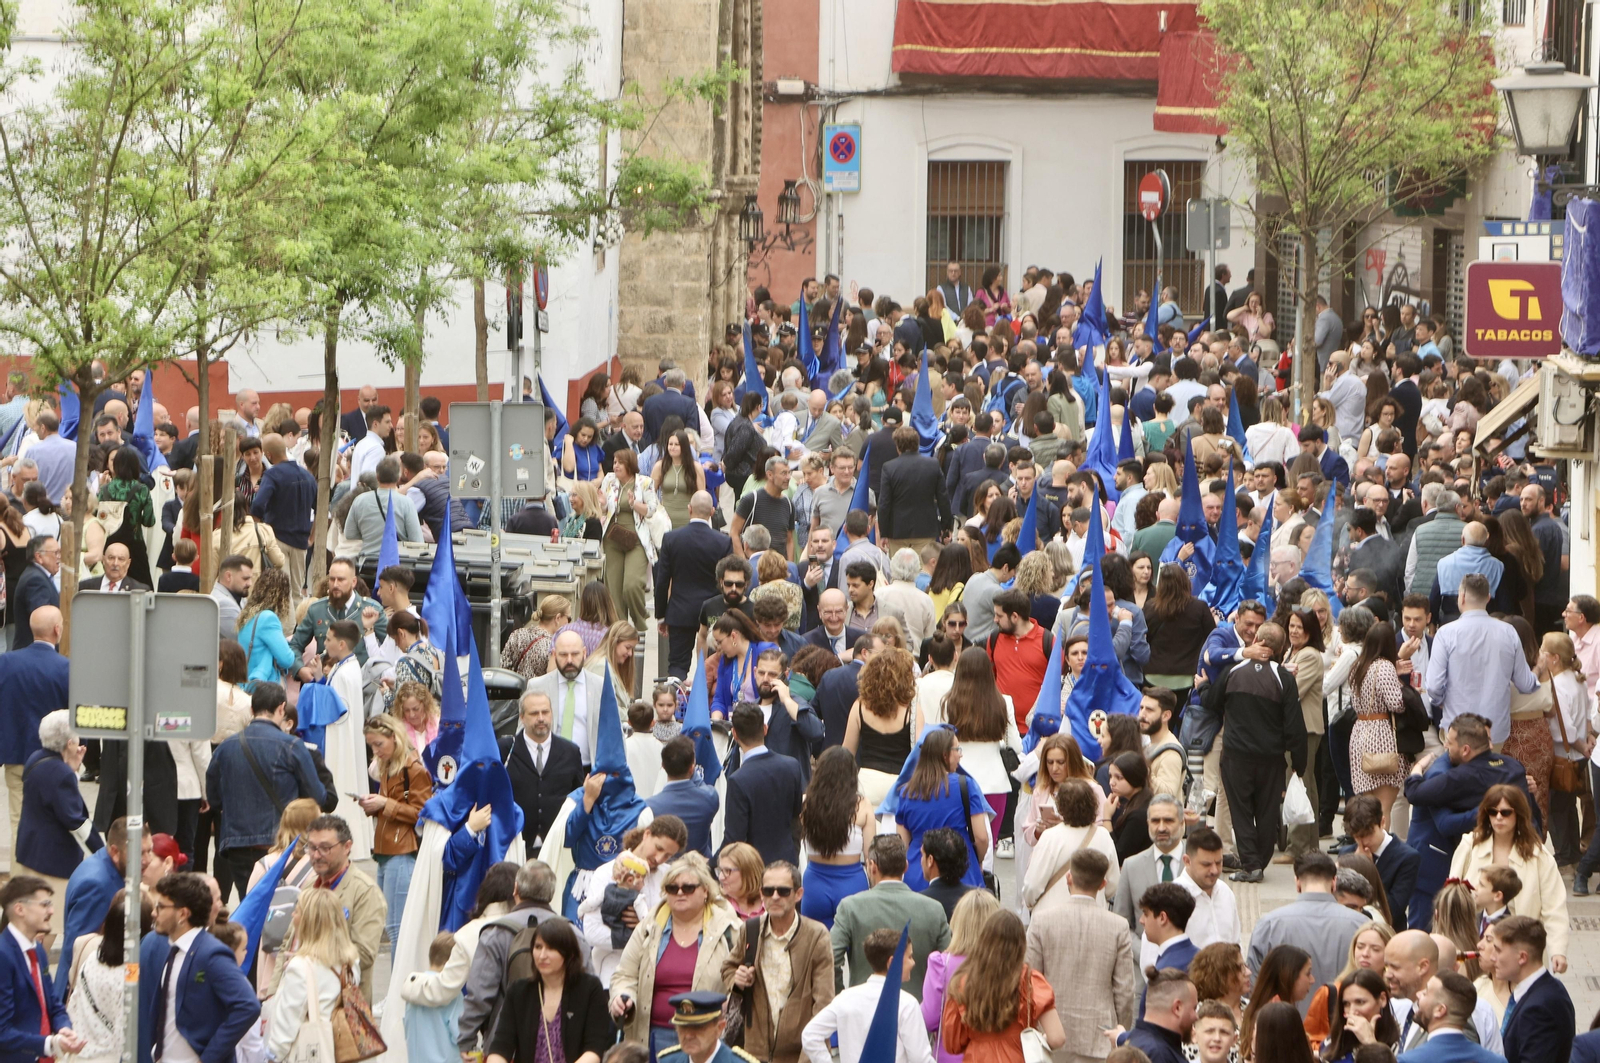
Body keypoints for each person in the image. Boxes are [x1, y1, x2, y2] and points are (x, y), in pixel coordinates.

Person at [204, 682, 327, 904]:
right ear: (282, 708)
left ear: (252, 710)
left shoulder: (226, 747)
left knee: (250, 905)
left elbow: (213, 797)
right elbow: (317, 797)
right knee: (283, 909)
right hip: (281, 842)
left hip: (238, 843)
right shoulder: (292, 746)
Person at [608, 853, 742, 1056]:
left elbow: (742, 981)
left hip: (706, 1038)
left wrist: (727, 1005)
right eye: (672, 888)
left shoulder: (730, 928)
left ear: (705, 890)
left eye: (688, 888)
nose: (680, 893)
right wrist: (623, 996)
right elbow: (625, 974)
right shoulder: (650, 925)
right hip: (651, 1036)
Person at [1203, 622, 1305, 882]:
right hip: (1271, 758)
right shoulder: (1284, 679)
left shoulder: (1233, 671)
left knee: (1241, 810)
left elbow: (1213, 702)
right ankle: (1259, 859)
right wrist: (1299, 764)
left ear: (1257, 639)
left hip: (1236, 755)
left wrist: (1204, 686)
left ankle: (1251, 864)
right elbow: (1294, 725)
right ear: (1282, 648)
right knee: (1267, 810)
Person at [1027, 846, 1136, 1061]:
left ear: (1069, 877)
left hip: (1050, 1034)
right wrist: (1121, 1029)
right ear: (1103, 884)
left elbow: (1030, 979)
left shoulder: (1042, 921)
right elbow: (1125, 989)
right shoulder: (1118, 926)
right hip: (1100, 1036)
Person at [722, 861, 835, 1063]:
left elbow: (823, 1003)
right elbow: (728, 967)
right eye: (768, 890)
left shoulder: (816, 935)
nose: (774, 897)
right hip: (753, 1052)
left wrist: (808, 1057)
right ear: (761, 893)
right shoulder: (751, 929)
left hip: (798, 1053)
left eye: (783, 891)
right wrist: (737, 979)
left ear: (798, 894)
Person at [143, 871, 260, 1063]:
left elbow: (248, 1006)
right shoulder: (174, 950)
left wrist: (209, 1057)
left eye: (161, 907)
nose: (154, 913)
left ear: (183, 914)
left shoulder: (211, 953)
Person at [1447, 785, 1567, 972]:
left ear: (1518, 814)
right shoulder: (1470, 845)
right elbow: (1451, 899)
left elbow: (1554, 908)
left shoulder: (1539, 855)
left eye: (1505, 812)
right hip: (1472, 949)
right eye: (1493, 812)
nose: (1499, 817)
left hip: (1520, 953)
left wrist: (1558, 951)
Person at [268, 815, 384, 1005]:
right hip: (296, 999)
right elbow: (288, 943)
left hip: (340, 1006)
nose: (316, 855)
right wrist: (272, 994)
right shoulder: (310, 887)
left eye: (325, 848)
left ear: (347, 847)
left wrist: (308, 965)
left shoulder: (364, 892)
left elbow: (363, 954)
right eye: (311, 847)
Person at [1424, 574, 1539, 748]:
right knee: (1491, 773)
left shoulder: (1445, 634)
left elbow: (1433, 686)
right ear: (1488, 597)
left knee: (1458, 775)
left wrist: (1439, 700)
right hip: (1494, 731)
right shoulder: (1508, 632)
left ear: (1461, 597)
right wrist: (1539, 670)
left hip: (1457, 730)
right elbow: (1525, 684)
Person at [830, 834, 951, 1001]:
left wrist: (842, 997)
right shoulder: (934, 909)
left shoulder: (850, 907)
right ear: (906, 867)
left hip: (863, 1011)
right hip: (917, 1011)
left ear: (872, 866)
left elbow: (831, 960)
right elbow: (950, 965)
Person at [938, 908, 1066, 1062]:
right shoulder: (1030, 981)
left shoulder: (963, 982)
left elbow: (953, 1043)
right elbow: (1057, 1038)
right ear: (1021, 945)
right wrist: (1036, 1041)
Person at [1246, 853, 1370, 1009]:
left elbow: (1253, 986)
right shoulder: (1362, 924)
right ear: (1334, 883)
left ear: (1297, 882)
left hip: (1284, 1025)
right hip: (1345, 1025)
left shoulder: (1269, 925)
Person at [14, 710, 96, 945]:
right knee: (45, 926)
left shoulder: (36, 758)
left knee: (27, 923)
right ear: (70, 743)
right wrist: (102, 852)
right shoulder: (60, 773)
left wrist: (73, 770)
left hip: (31, 852)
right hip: (53, 861)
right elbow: (76, 819)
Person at [482, 917, 612, 1063]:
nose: (542, 956)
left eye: (550, 948)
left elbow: (594, 1049)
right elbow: (500, 1047)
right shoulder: (518, 991)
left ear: (568, 953)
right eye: (538, 947)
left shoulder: (590, 989)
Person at [803, 928, 933, 1063]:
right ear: (892, 962)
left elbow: (810, 1035)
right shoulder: (906, 1004)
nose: (913, 963)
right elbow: (920, 1058)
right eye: (910, 957)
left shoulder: (846, 998)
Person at [359, 714, 430, 960]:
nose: (376, 751)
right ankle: (396, 993)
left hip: (403, 852)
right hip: (387, 851)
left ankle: (397, 994)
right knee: (393, 927)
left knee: (397, 928)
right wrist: (375, 805)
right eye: (372, 746)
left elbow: (423, 813)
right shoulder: (389, 766)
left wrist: (384, 803)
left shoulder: (413, 768)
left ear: (394, 737)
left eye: (379, 744)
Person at [261, 887, 357, 1063]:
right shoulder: (350, 962)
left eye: (297, 911)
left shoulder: (300, 968)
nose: (293, 916)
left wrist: (271, 1056)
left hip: (308, 1052)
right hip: (339, 1049)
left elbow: (286, 1026)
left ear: (308, 921)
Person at [0, 604, 68, 849]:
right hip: (54, 760)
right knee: (52, 822)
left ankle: (21, 881)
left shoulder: (5, 662)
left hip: (16, 756)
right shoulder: (66, 669)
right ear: (57, 629)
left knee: (18, 820)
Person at [892, 727, 990, 894]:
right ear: (945, 755)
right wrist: (977, 860)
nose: (960, 754)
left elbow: (902, 842)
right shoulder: (965, 785)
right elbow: (981, 837)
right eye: (957, 749)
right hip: (960, 869)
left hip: (918, 872)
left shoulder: (906, 792)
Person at [0, 875, 82, 1060]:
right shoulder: (3, 955)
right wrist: (48, 1044)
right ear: (20, 909)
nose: (52, 911)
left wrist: (64, 1027)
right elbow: (1, 1030)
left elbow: (52, 1002)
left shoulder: (37, 950)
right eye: (44, 904)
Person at [64, 889, 150, 1063]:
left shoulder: (91, 960)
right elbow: (124, 1033)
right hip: (109, 1057)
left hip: (78, 1055)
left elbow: (73, 1006)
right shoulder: (131, 977)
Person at [655, 492, 733, 678]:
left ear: (689, 509)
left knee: (677, 666)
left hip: (680, 611)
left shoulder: (671, 539)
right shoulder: (723, 541)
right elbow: (728, 581)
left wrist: (661, 615)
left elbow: (662, 581)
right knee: (713, 667)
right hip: (714, 613)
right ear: (712, 512)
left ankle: (674, 704)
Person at [503, 689, 588, 856]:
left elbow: (578, 797)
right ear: (522, 717)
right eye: (534, 713)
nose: (541, 718)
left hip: (558, 848)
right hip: (515, 847)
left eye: (545, 712)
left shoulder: (570, 752)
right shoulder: (505, 750)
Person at [798, 746, 873, 930]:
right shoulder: (862, 805)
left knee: (815, 948)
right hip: (852, 884)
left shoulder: (806, 803)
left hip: (814, 884)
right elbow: (871, 856)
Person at [722, 704, 806, 865]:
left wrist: (711, 866)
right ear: (765, 729)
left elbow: (734, 840)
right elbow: (796, 821)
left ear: (735, 734)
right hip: (787, 865)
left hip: (754, 871)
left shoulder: (738, 780)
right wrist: (793, 858)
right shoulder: (792, 766)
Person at [1023, 777, 1122, 911]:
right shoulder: (1103, 836)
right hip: (1094, 913)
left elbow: (1033, 885)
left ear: (1060, 806)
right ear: (1093, 804)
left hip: (1052, 914)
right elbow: (1113, 884)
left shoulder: (1050, 836)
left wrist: (1030, 903)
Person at [1485, 915, 1574, 1063]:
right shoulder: (1544, 989)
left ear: (1522, 957)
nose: (1493, 957)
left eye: (1498, 950)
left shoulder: (1539, 1009)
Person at [524, 630, 606, 769]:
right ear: (554, 654)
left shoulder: (601, 686)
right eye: (563, 654)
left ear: (585, 653)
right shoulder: (537, 686)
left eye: (575, 654)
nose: (569, 660)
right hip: (548, 771)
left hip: (588, 771)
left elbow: (613, 733)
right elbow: (524, 732)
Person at [1395, 970, 1506, 1063]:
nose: (1418, 994)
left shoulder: (1408, 1061)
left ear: (1440, 1010)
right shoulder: (1496, 1061)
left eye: (1426, 992)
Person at [1342, 795, 1419, 927]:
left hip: (1388, 933)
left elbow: (1394, 909)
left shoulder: (1407, 857)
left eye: (1369, 834)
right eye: (1358, 837)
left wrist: (1367, 870)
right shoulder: (1346, 854)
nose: (1364, 842)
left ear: (1382, 823)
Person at [880, 426, 954, 557]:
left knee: (900, 572)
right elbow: (943, 498)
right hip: (926, 529)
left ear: (898, 446)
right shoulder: (933, 465)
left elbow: (884, 504)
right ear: (917, 444)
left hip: (897, 531)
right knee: (924, 571)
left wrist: (883, 532)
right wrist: (946, 526)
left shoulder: (889, 467)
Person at [1317, 968, 1400, 1062]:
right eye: (1346, 1004)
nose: (1352, 1011)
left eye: (1360, 1002)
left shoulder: (1401, 1041)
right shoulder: (1332, 1044)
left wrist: (1370, 1042)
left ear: (1382, 999)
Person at [1123, 968, 1199, 1063]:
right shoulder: (1160, 1055)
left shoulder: (1135, 1041)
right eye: (1194, 1008)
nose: (1196, 1016)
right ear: (1177, 1008)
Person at [502, 595, 572, 680]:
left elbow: (504, 668)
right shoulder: (553, 647)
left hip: (513, 691)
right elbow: (553, 681)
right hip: (537, 692)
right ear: (557, 618)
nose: (568, 623)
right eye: (568, 618)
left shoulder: (517, 634)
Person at [9, 536, 59, 651]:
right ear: (39, 556)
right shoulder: (36, 580)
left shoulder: (38, 576)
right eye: (55, 553)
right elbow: (43, 623)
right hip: (35, 655)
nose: (59, 557)